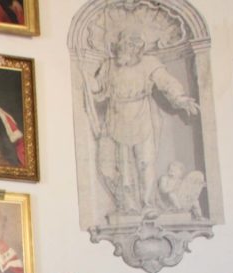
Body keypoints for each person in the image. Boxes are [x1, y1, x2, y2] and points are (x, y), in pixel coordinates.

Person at [81, 29, 200, 214]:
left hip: (143, 116)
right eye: (120, 46)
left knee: (146, 163)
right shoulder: (109, 65)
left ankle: (148, 204)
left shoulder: (149, 63)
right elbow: (98, 87)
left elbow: (166, 82)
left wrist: (180, 98)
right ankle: (129, 206)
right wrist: (83, 74)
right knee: (124, 167)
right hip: (117, 118)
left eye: (127, 46)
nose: (122, 50)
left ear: (136, 49)